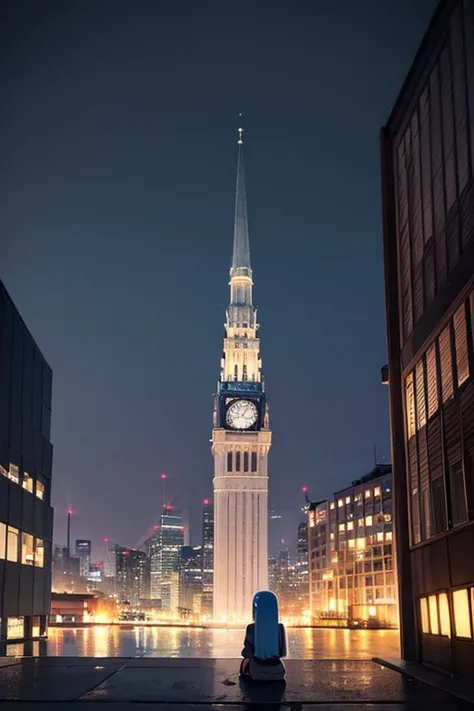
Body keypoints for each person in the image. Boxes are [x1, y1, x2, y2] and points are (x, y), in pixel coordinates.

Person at [240, 590, 287, 681]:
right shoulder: (280, 627)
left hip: (257, 671)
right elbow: (282, 653)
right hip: (277, 671)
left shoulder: (252, 627)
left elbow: (247, 652)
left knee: (246, 660)